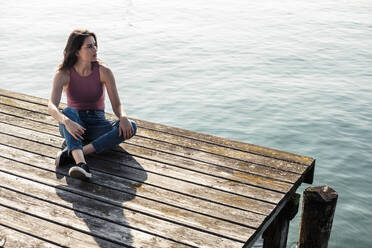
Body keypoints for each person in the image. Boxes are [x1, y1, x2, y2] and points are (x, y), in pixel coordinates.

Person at [48, 29, 137, 180]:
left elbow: (117, 105)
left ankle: (76, 152)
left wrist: (123, 117)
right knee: (68, 111)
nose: (95, 49)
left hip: (97, 125)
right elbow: (51, 106)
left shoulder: (104, 71)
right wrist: (66, 121)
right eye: (89, 46)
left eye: (95, 45)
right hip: (74, 126)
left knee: (131, 126)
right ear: (76, 51)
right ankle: (82, 165)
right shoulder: (63, 74)